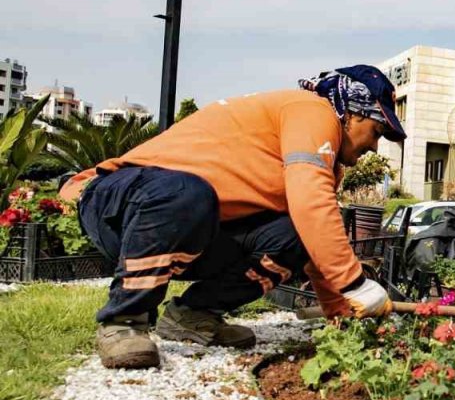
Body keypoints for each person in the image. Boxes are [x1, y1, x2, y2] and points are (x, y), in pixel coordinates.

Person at [59, 65, 407, 370]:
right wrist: (356, 283)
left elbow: (312, 230)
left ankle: (193, 315)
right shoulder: (313, 111)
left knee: (295, 235)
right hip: (114, 204)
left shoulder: (327, 166)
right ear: (350, 113)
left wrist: (341, 314)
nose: (375, 147)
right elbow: (311, 201)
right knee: (187, 192)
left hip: (190, 226)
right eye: (377, 131)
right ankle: (123, 320)